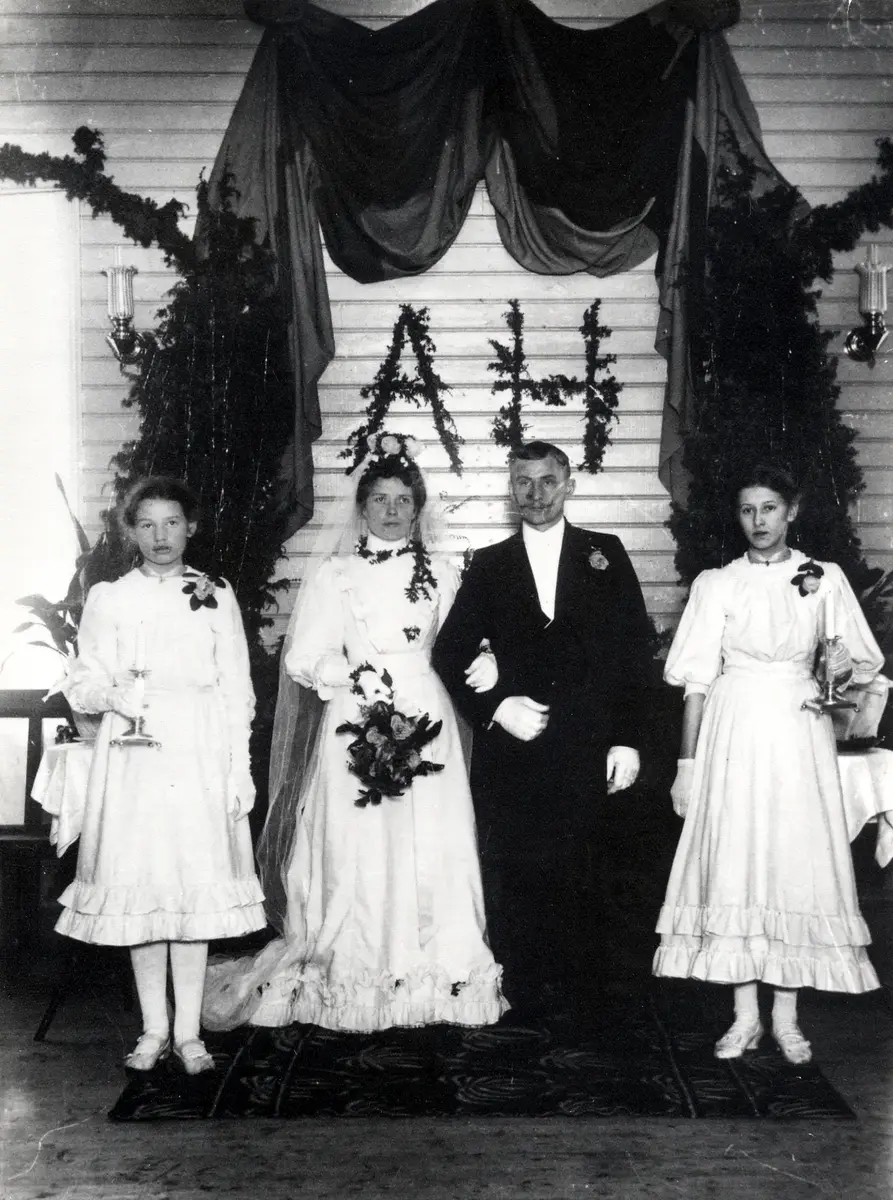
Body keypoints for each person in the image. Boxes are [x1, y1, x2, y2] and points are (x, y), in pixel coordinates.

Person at [202, 433, 507, 1032]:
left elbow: (467, 641)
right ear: (362, 506)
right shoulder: (336, 575)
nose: (391, 510)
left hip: (429, 713)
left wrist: (489, 658)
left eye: (402, 500)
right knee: (358, 842)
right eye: (380, 499)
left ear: (418, 508)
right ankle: (353, 967)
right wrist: (352, 675)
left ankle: (438, 969)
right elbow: (303, 656)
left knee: (433, 839)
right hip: (357, 714)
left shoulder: (443, 572)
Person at [653, 463, 884, 1063]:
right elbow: (697, 683)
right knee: (735, 861)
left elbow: (854, 665)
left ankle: (786, 1018)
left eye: (769, 508)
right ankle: (744, 1017)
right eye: (747, 510)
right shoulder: (717, 584)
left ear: (792, 511)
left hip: (796, 731)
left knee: (791, 863)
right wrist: (686, 766)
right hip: (732, 730)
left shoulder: (823, 578)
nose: (758, 521)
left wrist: (834, 682)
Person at [431, 440, 652, 1016]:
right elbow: (448, 651)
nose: (535, 494)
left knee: (589, 868)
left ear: (568, 485)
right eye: (523, 482)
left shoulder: (605, 553)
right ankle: (524, 992)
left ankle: (586, 997)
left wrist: (627, 739)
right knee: (519, 870)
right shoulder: (490, 563)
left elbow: (634, 651)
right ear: (511, 489)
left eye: (547, 481)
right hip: (517, 746)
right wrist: (495, 707)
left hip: (588, 744)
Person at [58, 476, 266, 1075]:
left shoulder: (215, 593)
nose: (160, 536)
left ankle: (189, 1032)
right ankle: (153, 1028)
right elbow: (83, 680)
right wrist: (110, 695)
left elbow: (237, 689)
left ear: (190, 526)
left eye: (171, 522)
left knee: (192, 889)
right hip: (133, 755)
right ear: (130, 532)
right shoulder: (109, 597)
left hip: (198, 751)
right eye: (146, 524)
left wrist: (239, 769)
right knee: (144, 889)